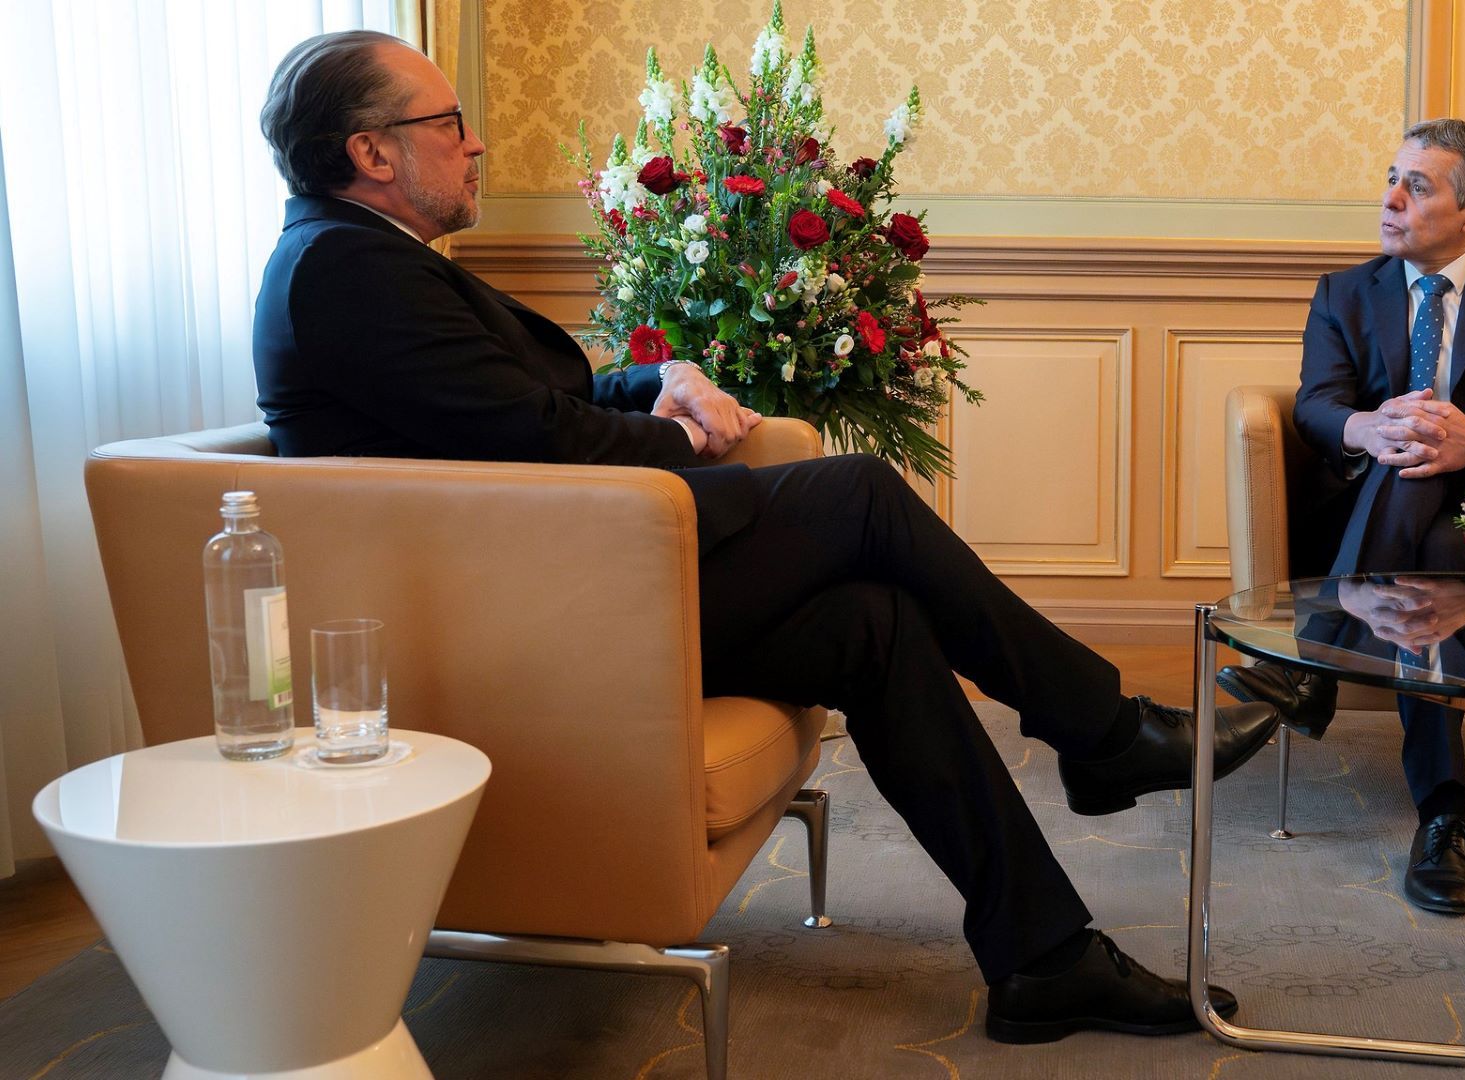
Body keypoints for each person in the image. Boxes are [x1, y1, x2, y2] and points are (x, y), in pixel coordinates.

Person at [251, 31, 1282, 1044]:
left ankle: (1044, 958)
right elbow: (531, 436)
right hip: (530, 615)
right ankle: (1103, 733)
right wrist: (661, 428)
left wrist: (661, 380)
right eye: (450, 123)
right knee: (863, 496)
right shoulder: (343, 270)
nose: (474, 145)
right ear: (371, 153)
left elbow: (522, 400)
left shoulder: (361, 260)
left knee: (872, 624)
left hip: (562, 574)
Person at [1217, 119, 1465, 916]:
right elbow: (1316, 407)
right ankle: (1443, 820)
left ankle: (1306, 668)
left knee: (1430, 475)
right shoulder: (1346, 290)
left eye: (1416, 186)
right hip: (1368, 506)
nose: (1390, 199)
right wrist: (1374, 428)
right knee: (1408, 459)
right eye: (1391, 177)